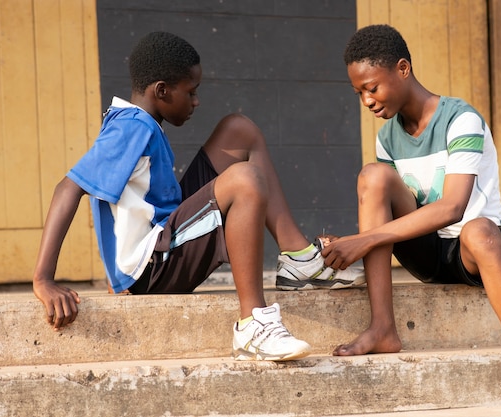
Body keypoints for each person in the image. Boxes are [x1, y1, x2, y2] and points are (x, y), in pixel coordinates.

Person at [32, 31, 363, 361]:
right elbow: (68, 187)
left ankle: (298, 259)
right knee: (245, 180)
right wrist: (44, 278)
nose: (196, 101)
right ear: (162, 90)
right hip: (152, 270)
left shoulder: (140, 123)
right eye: (190, 92)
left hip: (165, 242)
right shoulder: (130, 128)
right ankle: (253, 324)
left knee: (238, 130)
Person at [320, 24, 501, 409]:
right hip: (427, 252)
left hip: (477, 251)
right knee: (373, 176)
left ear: (403, 69)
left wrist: (364, 239)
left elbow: (453, 207)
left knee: (477, 230)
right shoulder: (387, 137)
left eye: (372, 88)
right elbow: (395, 205)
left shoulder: (461, 119)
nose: (367, 101)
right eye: (359, 93)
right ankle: (382, 327)